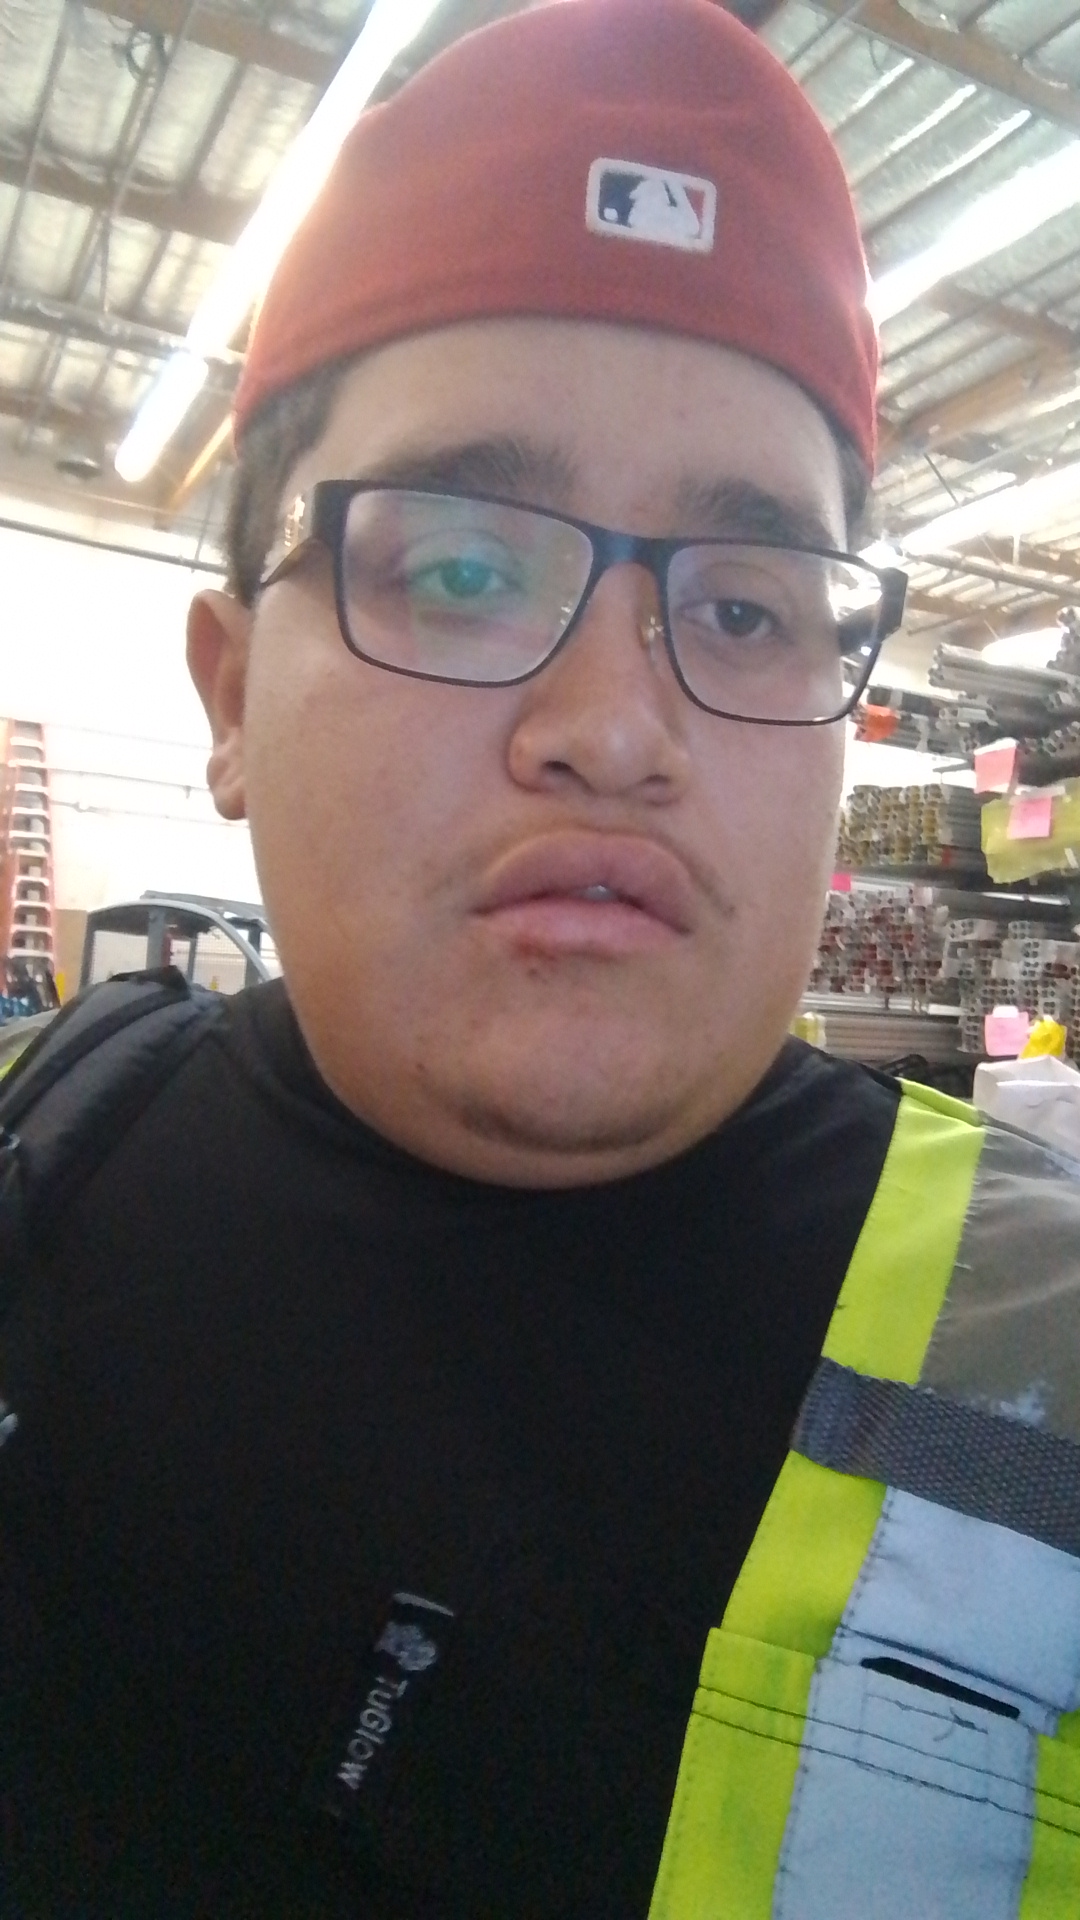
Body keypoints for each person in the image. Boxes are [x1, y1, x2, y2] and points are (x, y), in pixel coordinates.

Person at [4, 1, 1080, 1914]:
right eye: (465, 569)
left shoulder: (1043, 1363)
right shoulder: (45, 1171)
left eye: (744, 609)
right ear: (233, 697)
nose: (615, 728)